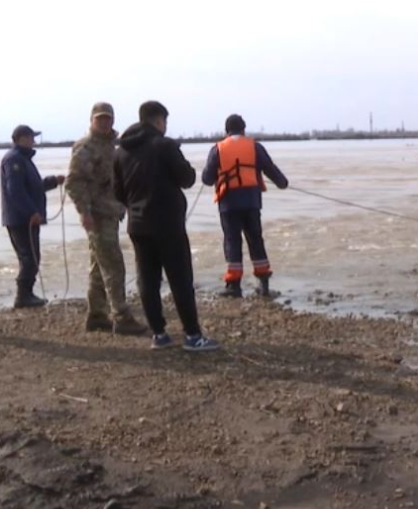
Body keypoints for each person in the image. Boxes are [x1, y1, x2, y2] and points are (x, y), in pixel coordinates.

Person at [113, 101, 219, 351]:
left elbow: (117, 191)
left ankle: (159, 334)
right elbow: (187, 178)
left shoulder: (120, 152)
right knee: (180, 279)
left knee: (147, 280)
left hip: (137, 224)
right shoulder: (164, 145)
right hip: (167, 223)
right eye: (164, 122)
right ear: (159, 121)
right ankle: (192, 336)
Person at [65, 102, 148, 334]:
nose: (104, 123)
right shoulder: (86, 147)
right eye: (99, 119)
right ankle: (121, 317)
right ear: (91, 120)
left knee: (98, 266)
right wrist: (84, 212)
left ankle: (96, 315)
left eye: (108, 119)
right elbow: (73, 182)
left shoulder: (112, 145)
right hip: (97, 214)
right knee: (113, 265)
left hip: (111, 211)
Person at [200, 114, 289, 298]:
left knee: (232, 241)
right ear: (243, 129)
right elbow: (270, 169)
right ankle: (263, 284)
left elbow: (207, 179)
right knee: (256, 240)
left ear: (226, 131)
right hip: (251, 202)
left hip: (228, 203)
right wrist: (282, 183)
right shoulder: (254, 146)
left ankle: (234, 285)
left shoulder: (217, 149)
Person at [0, 125, 64, 308]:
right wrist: (31, 212)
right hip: (20, 219)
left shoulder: (23, 159)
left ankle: (27, 294)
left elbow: (33, 186)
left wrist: (53, 181)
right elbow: (15, 190)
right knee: (29, 257)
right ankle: (23, 297)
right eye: (30, 137)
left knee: (31, 257)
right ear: (20, 138)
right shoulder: (14, 159)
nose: (33, 141)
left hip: (25, 218)